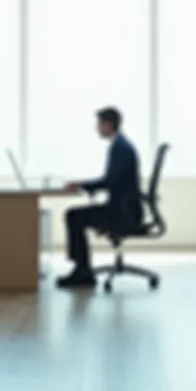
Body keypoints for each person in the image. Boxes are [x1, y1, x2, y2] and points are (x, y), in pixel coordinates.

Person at [58, 107, 143, 289]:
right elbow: (112, 181)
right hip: (124, 207)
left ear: (109, 124)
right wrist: (85, 186)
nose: (97, 128)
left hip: (123, 212)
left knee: (74, 216)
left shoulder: (120, 148)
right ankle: (82, 269)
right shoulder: (120, 144)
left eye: (99, 124)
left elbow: (110, 181)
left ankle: (82, 271)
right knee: (75, 215)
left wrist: (82, 185)